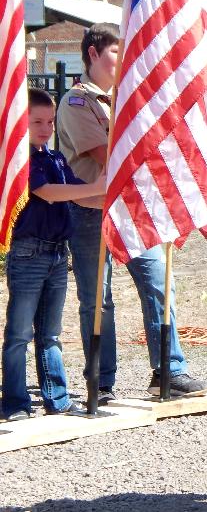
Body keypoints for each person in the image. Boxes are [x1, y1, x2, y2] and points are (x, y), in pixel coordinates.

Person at [56, 23, 205, 401]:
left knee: (158, 284)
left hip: (135, 210)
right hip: (92, 211)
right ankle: (101, 381)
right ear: (93, 53)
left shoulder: (128, 99)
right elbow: (109, 154)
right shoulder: (77, 102)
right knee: (96, 298)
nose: (124, 60)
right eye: (115, 52)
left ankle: (169, 370)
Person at [2, 88, 106, 420]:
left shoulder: (55, 158)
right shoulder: (23, 161)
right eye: (37, 122)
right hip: (28, 253)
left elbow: (76, 195)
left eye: (49, 121)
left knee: (51, 333)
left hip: (57, 255)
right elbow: (48, 192)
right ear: (21, 123)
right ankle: (15, 401)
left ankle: (57, 397)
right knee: (20, 333)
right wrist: (97, 187)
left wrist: (107, 195)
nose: (46, 128)